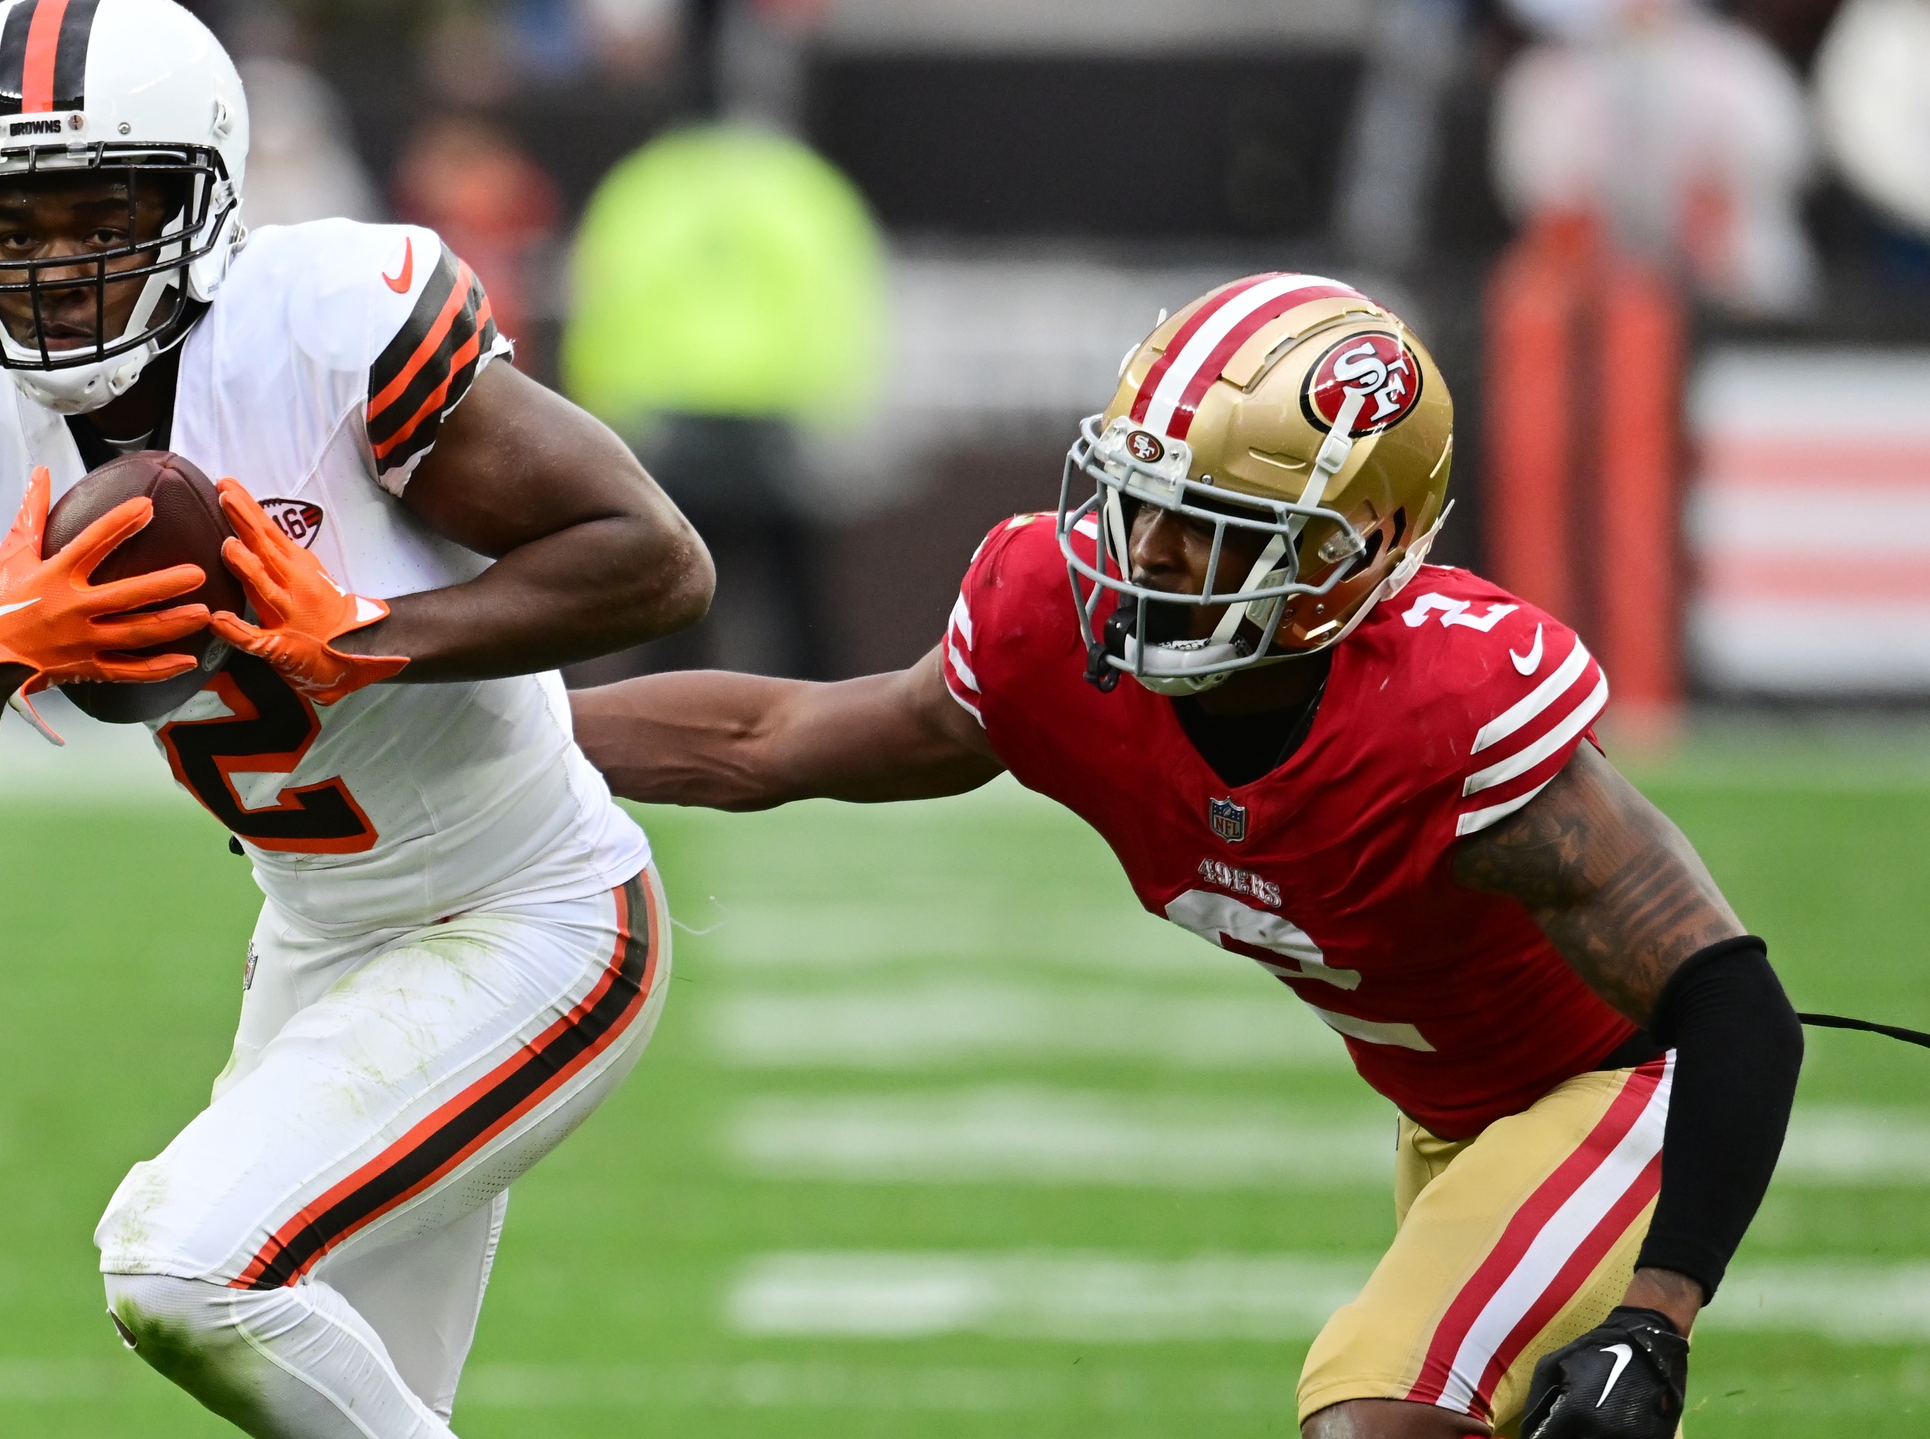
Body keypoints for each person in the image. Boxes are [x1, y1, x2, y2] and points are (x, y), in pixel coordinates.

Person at [572, 274, 1801, 1439]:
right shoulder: (1047, 628)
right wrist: (497, 733)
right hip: (1452, 1122)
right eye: (1137, 496)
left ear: (1350, 553)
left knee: (1383, 1400)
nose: (1146, 549)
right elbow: (771, 736)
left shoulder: (1443, 709)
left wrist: (1657, 1316)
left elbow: (1734, 1001)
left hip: (1618, 1098)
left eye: (1211, 526)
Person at [0, 0, 711, 1439]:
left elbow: (657, 560)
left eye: (101, 206)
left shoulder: (326, 333)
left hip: (530, 915)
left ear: (204, 204)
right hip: (317, 939)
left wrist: (369, 636)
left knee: (182, 1267)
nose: (55, 262)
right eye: (11, 220)